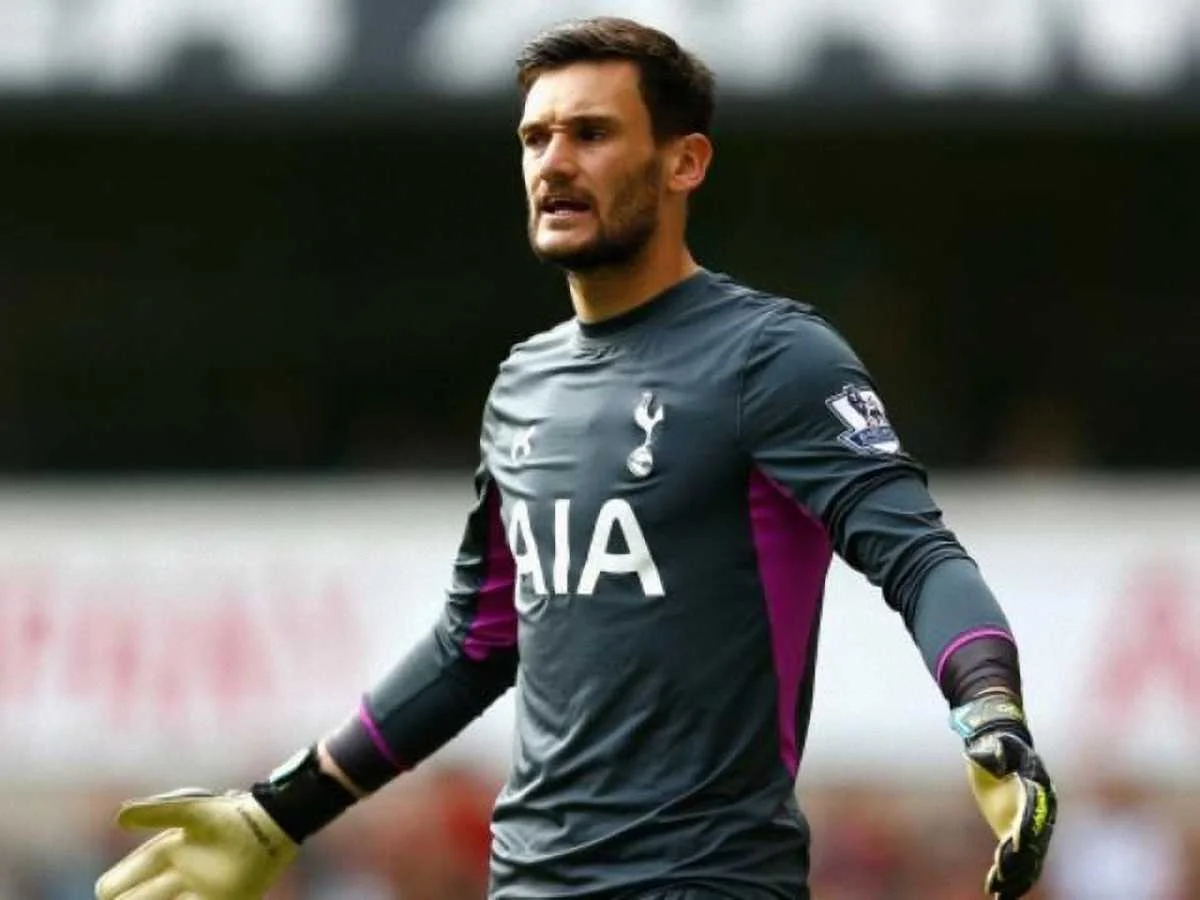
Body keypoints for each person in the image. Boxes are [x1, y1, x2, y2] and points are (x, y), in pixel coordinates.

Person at [94, 16, 1056, 900]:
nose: (553, 162)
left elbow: (918, 554)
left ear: (684, 162)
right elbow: (477, 641)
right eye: (535, 138)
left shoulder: (772, 359)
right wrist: (281, 810)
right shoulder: (525, 382)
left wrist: (988, 708)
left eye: (591, 133)